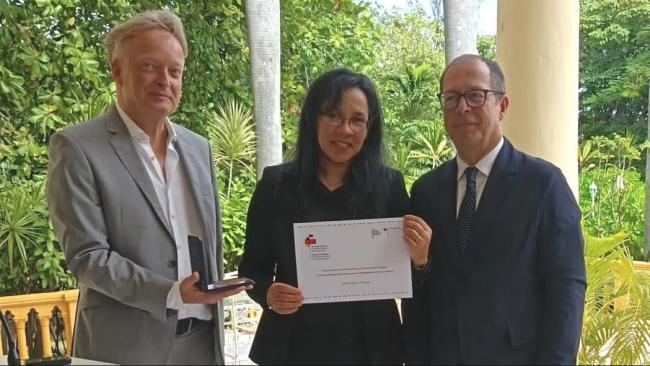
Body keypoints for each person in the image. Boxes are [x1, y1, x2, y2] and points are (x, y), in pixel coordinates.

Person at [46, 10, 248, 365]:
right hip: (124, 349)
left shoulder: (198, 149)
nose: (164, 80)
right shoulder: (77, 147)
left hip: (202, 346)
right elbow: (87, 257)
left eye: (174, 71)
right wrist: (170, 293)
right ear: (118, 71)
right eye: (149, 67)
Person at [238, 68, 432, 365]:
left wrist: (420, 258)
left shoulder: (389, 185)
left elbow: (411, 275)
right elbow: (252, 268)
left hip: (372, 349)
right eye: (333, 115)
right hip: (293, 347)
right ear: (313, 119)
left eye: (357, 120)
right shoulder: (276, 185)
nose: (345, 130)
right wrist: (268, 293)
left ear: (369, 129)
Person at [402, 54, 586, 364]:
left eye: (475, 95)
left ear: (502, 106)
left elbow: (566, 288)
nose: (462, 107)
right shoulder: (426, 191)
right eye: (451, 98)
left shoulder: (544, 185)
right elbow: (419, 288)